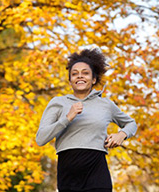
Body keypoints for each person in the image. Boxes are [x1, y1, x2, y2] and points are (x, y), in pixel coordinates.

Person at [36, 48, 137, 192]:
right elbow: (41, 138)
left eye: (85, 73)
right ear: (70, 80)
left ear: (94, 79)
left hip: (97, 172)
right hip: (68, 174)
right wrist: (67, 118)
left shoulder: (105, 104)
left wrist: (121, 135)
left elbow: (131, 123)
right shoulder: (58, 103)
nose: (79, 76)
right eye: (74, 74)